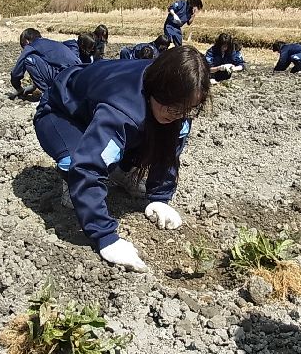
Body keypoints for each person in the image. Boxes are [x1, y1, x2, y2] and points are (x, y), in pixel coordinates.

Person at [34, 46, 210, 271]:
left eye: (187, 109)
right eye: (173, 108)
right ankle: (71, 181)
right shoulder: (122, 109)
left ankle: (120, 171)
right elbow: (87, 166)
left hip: (103, 108)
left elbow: (170, 148)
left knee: (162, 131)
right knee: (77, 161)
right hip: (61, 112)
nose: (178, 115)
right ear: (158, 88)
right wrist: (105, 237)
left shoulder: (179, 99)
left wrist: (160, 196)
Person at [10, 28, 81, 97]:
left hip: (64, 80)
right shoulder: (52, 44)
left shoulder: (30, 46)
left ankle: (47, 95)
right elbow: (44, 67)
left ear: (26, 41)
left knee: (28, 59)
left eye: (23, 45)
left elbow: (16, 73)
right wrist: (34, 86)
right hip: (78, 78)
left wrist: (18, 87)